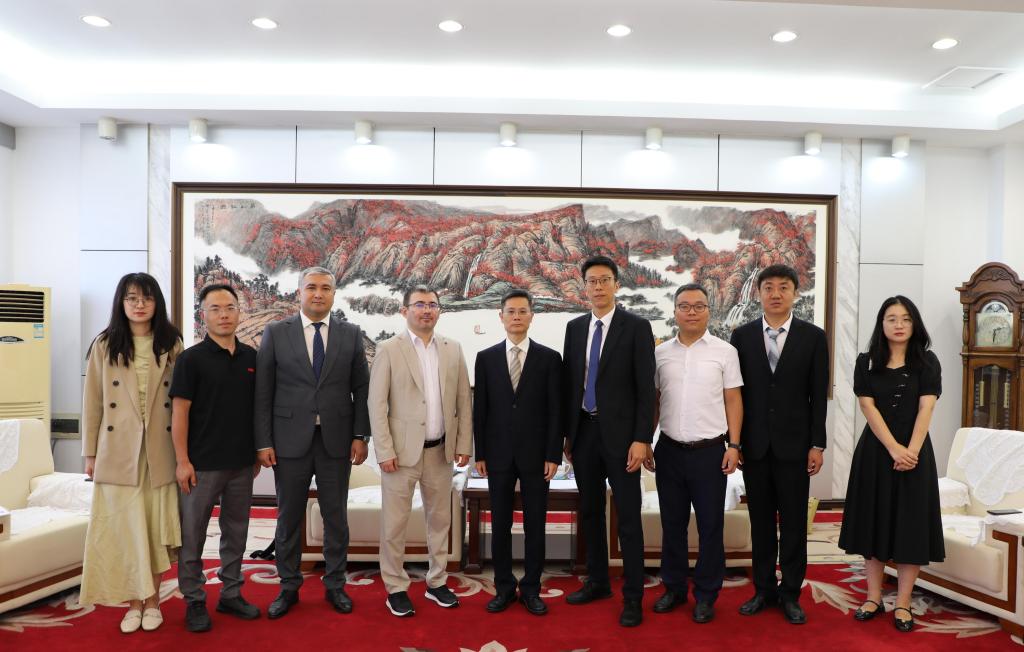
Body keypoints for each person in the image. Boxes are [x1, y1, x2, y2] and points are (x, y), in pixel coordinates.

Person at [254, 267, 371, 619]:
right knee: (288, 517)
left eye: (325, 288)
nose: (318, 293)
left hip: (337, 440)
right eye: (311, 287)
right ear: (299, 292)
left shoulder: (351, 334)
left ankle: (335, 585)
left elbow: (361, 388)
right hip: (288, 440)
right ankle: (288, 586)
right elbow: (263, 391)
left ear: (334, 294)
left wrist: (360, 435)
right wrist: (263, 441)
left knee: (335, 517)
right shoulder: (276, 332)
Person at [80, 272, 183, 633]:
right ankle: (133, 603)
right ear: (121, 303)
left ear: (157, 303)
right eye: (132, 298)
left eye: (147, 298)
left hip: (159, 450)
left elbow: (183, 402)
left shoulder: (171, 343)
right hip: (117, 450)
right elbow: (92, 402)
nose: (139, 305)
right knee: (125, 529)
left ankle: (152, 601)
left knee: (154, 529)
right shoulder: (105, 344)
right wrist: (90, 454)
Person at [729, 263, 828, 625]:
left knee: (794, 524)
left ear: (795, 293)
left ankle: (790, 594)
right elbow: (734, 394)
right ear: (758, 293)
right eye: (768, 287)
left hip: (795, 446)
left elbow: (818, 395)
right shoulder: (741, 337)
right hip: (754, 446)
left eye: (783, 287)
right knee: (760, 523)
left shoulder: (813, 337)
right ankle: (763, 590)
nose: (775, 293)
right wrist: (734, 442)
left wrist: (817, 444)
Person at [839, 296, 944, 633]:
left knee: (910, 526)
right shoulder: (866, 361)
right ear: (881, 324)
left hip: (915, 453)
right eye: (891, 318)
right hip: (876, 452)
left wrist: (910, 451)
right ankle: (873, 597)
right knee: (874, 522)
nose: (899, 325)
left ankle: (903, 601)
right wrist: (893, 448)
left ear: (915, 324)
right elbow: (867, 408)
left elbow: (927, 408)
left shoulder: (927, 361)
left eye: (906, 319)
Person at [562, 254, 656, 628]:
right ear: (584, 287)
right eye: (592, 281)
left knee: (628, 518)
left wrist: (642, 438)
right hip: (584, 433)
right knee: (589, 512)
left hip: (623, 439)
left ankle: (633, 596)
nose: (598, 287)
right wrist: (567, 434)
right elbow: (571, 383)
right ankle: (598, 581)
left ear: (617, 285)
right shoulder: (574, 328)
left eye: (604, 280)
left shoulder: (636, 327)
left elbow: (646, 389)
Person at [368, 285, 473, 618]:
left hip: (441, 452)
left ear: (439, 310)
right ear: (405, 311)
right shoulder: (389, 349)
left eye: (432, 305)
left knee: (440, 522)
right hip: (400, 455)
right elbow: (376, 404)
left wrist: (464, 445)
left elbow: (464, 401)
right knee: (394, 525)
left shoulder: (453, 348)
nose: (427, 310)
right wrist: (384, 450)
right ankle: (396, 587)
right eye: (419, 304)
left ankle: (437, 581)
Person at [648, 283, 743, 624]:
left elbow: (733, 400)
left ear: (708, 310)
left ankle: (706, 595)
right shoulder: (660, 353)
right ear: (674, 311)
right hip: (669, 450)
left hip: (710, 453)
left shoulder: (725, 352)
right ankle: (673, 589)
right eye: (684, 306)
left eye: (698, 306)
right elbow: (655, 401)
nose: (691, 311)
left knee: (710, 527)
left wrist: (734, 445)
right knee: (672, 525)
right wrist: (646, 441)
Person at [170, 283, 261, 632]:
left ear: (239, 312)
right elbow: (179, 413)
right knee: (192, 535)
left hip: (241, 463)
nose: (224, 315)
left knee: (236, 532)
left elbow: (256, 410)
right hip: (201, 465)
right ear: (203, 315)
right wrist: (182, 461)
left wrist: (255, 455)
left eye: (230, 308)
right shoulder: (190, 359)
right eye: (215, 309)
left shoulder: (251, 358)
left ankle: (231, 593)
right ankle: (194, 599)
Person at [473, 289, 563, 616]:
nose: (516, 316)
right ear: (501, 316)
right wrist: (480, 453)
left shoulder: (550, 358)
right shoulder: (485, 358)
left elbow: (556, 411)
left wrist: (553, 454)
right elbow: (480, 410)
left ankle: (532, 589)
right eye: (510, 311)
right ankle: (503, 587)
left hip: (537, 456)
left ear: (531, 316)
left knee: (535, 525)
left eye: (522, 311)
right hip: (497, 455)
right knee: (500, 524)